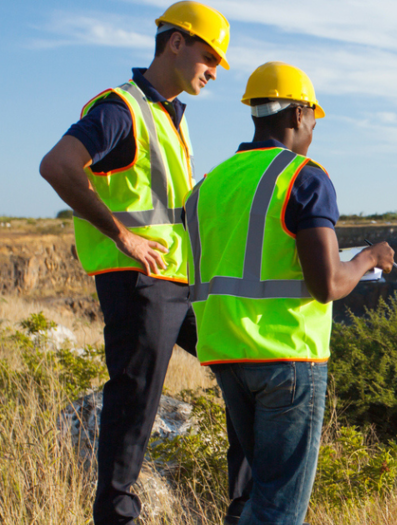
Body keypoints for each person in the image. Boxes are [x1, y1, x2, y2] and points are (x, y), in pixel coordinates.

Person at [38, 2, 251, 523]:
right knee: (136, 401)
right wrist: (122, 236)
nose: (214, 70)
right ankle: (117, 514)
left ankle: (247, 506)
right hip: (139, 280)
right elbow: (57, 166)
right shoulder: (121, 108)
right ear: (175, 43)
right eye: (209, 56)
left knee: (246, 368)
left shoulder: (169, 118)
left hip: (181, 280)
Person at [183, 61, 395, 524]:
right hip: (287, 358)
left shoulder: (208, 186)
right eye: (314, 118)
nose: (314, 129)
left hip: (226, 355)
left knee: (260, 497)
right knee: (279, 510)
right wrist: (369, 259)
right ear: (299, 114)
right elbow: (329, 285)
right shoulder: (304, 177)